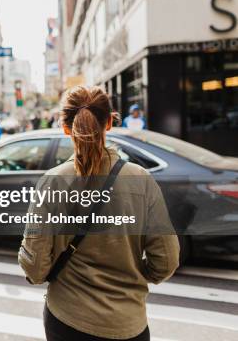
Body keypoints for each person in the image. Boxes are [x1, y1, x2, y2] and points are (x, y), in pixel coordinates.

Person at [18, 86, 179, 341]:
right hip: (129, 323)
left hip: (68, 320)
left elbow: (35, 266)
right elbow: (167, 261)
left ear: (65, 127)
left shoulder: (53, 182)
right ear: (110, 123)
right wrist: (134, 276)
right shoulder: (142, 180)